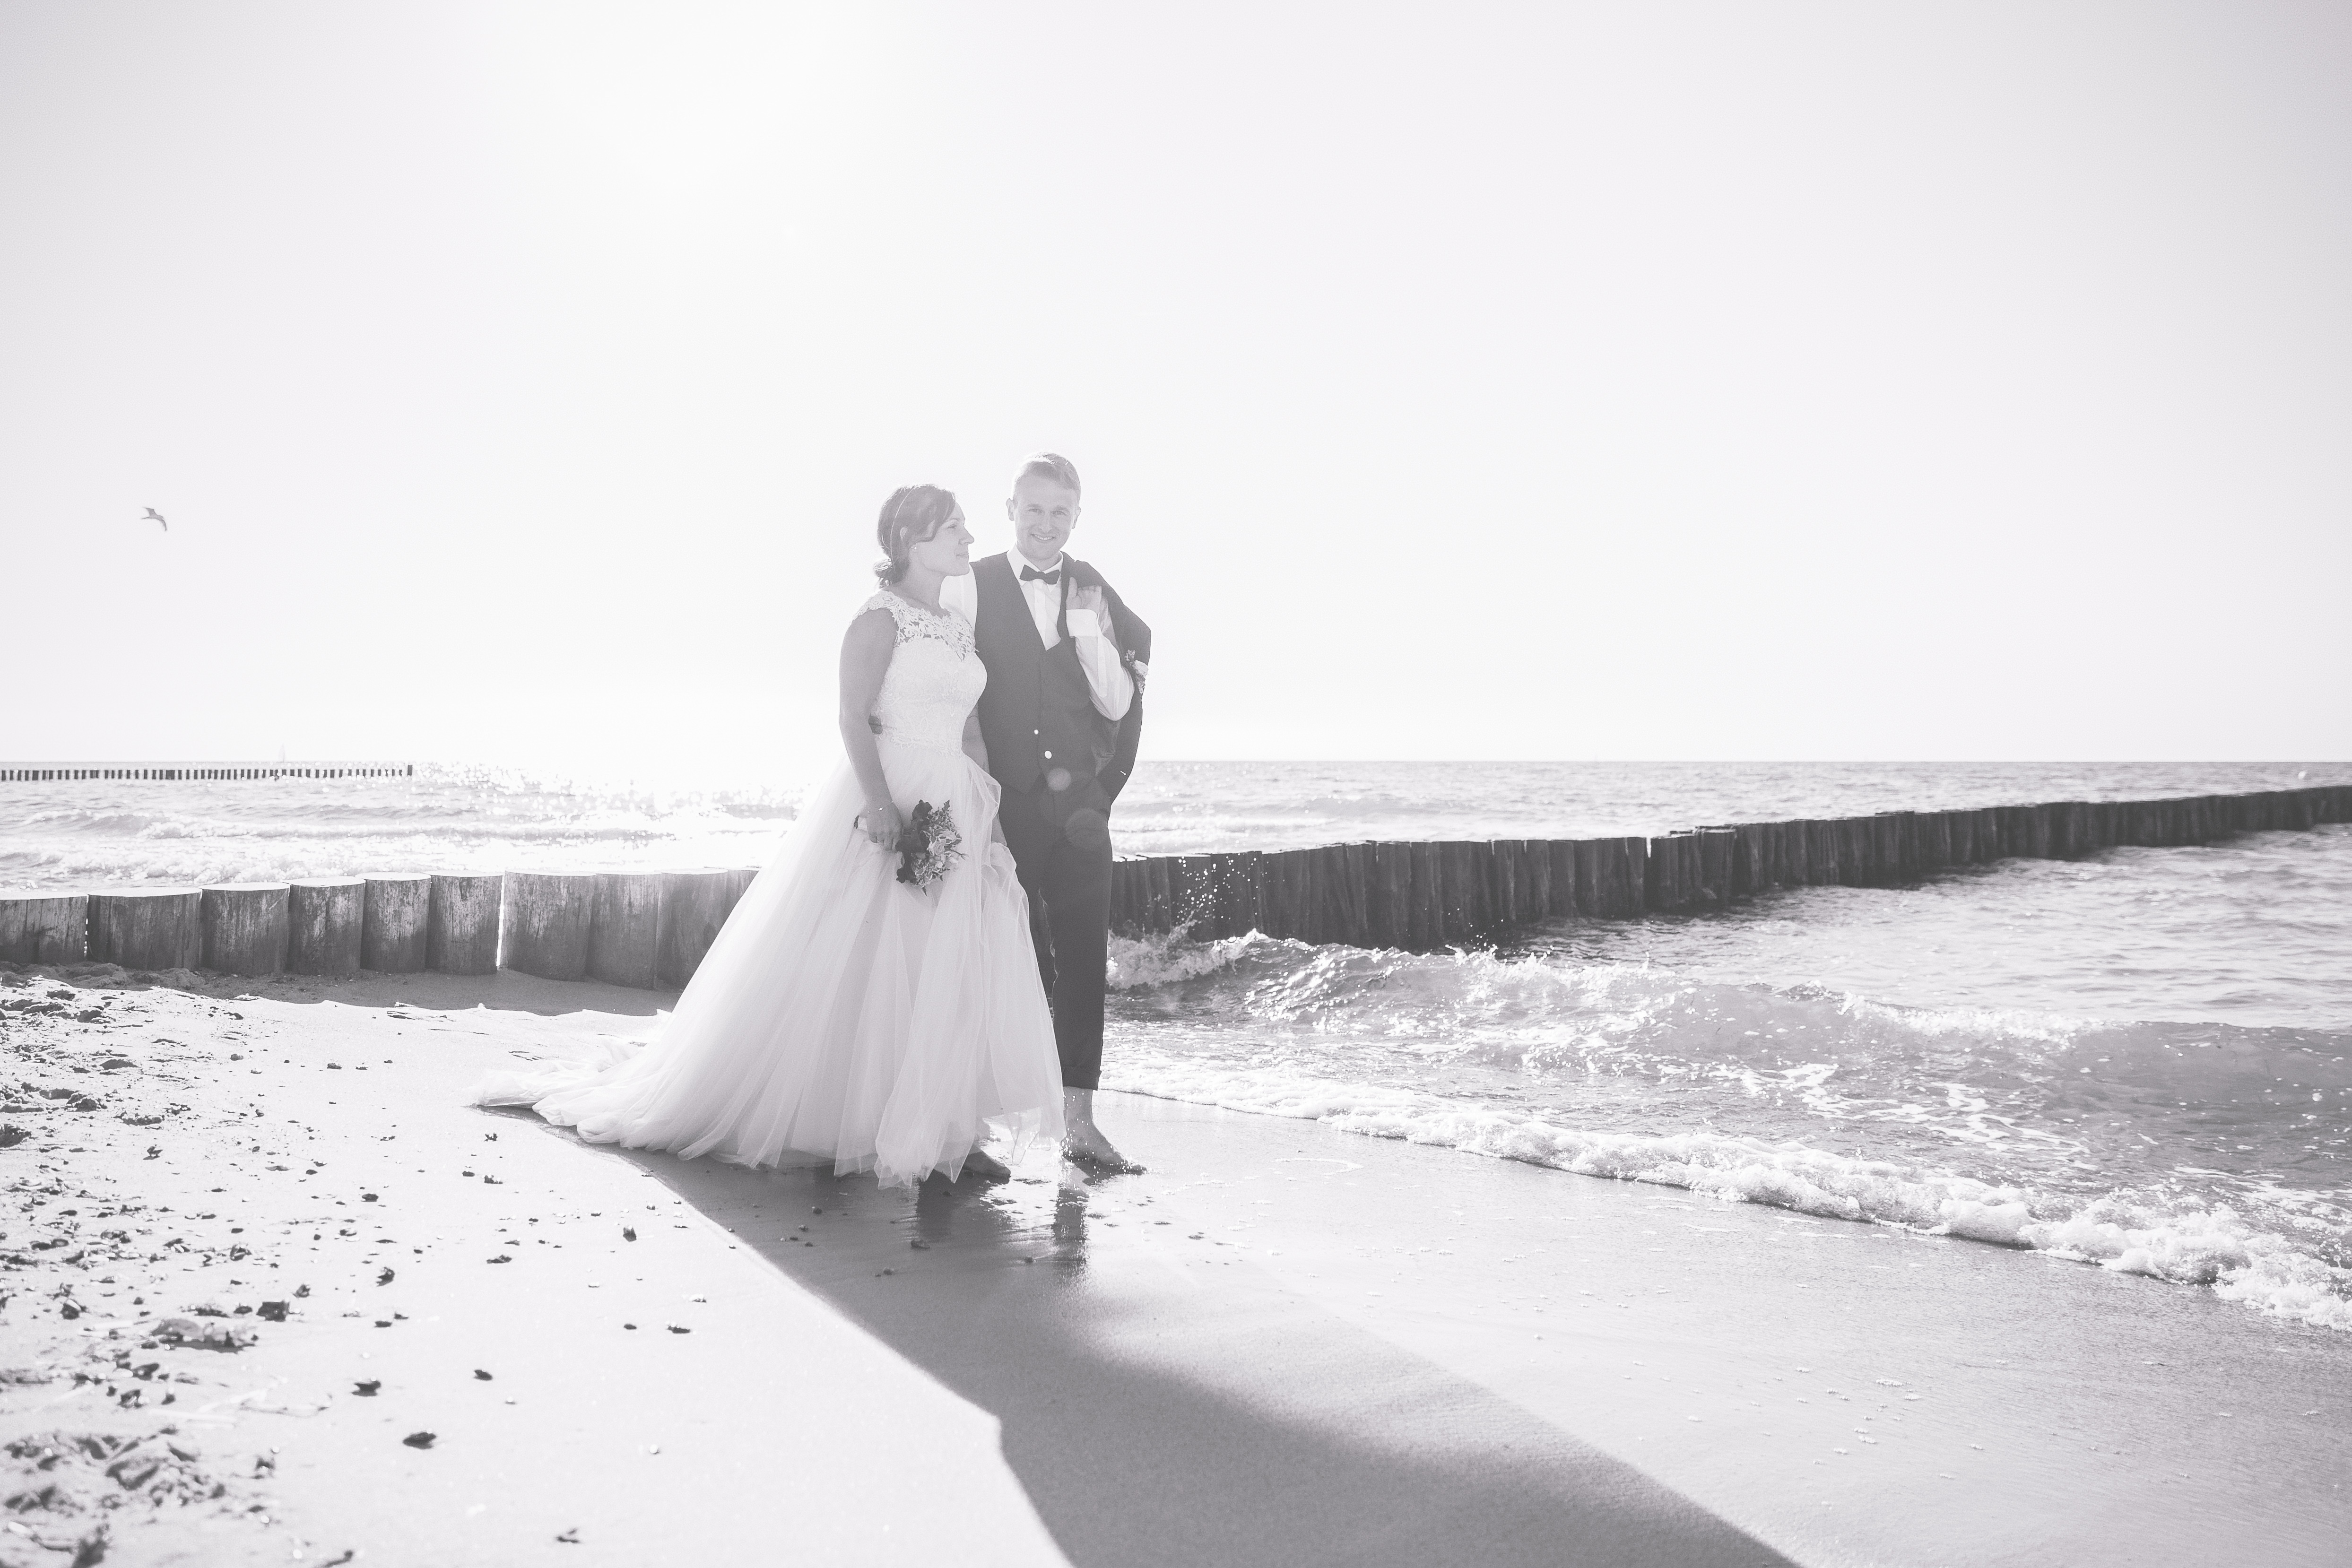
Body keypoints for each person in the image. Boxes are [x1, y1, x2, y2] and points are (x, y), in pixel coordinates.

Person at [472, 486, 1064, 1188]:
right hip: (892, 791)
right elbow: (851, 715)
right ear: (912, 539)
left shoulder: (956, 626)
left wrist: (988, 822)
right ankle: (848, 1119)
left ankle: (948, 1130)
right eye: (954, 527)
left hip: (959, 801)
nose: (969, 537)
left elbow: (970, 729)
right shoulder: (880, 619)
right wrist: (879, 804)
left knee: (950, 966)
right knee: (873, 961)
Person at [940, 452, 1150, 1174]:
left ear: (1077, 517)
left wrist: (1090, 628)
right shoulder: (971, 584)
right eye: (1034, 510)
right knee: (991, 953)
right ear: (1011, 510)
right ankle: (967, 1130)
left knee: (1084, 957)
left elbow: (1118, 705)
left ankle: (1081, 1121)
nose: (1045, 525)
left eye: (1060, 513)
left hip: (1082, 812)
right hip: (1002, 805)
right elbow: (950, 684)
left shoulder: (1093, 592)